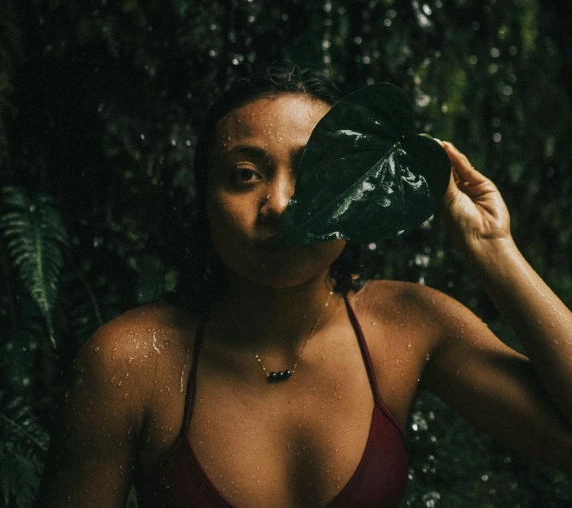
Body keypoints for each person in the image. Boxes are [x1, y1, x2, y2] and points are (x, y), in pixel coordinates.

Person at [37, 67, 572, 508]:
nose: (280, 203)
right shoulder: (131, 362)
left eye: (315, 170)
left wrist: (493, 251)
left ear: (359, 192)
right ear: (204, 201)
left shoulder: (407, 325)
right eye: (245, 174)